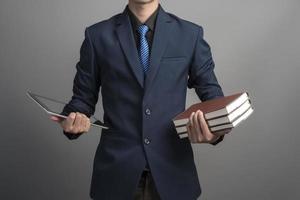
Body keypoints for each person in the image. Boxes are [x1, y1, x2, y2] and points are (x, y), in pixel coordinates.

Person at [51, 0, 231, 199]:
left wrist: (214, 133)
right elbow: (81, 100)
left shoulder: (190, 34)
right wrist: (73, 118)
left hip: (174, 174)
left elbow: (214, 99)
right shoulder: (97, 36)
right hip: (116, 175)